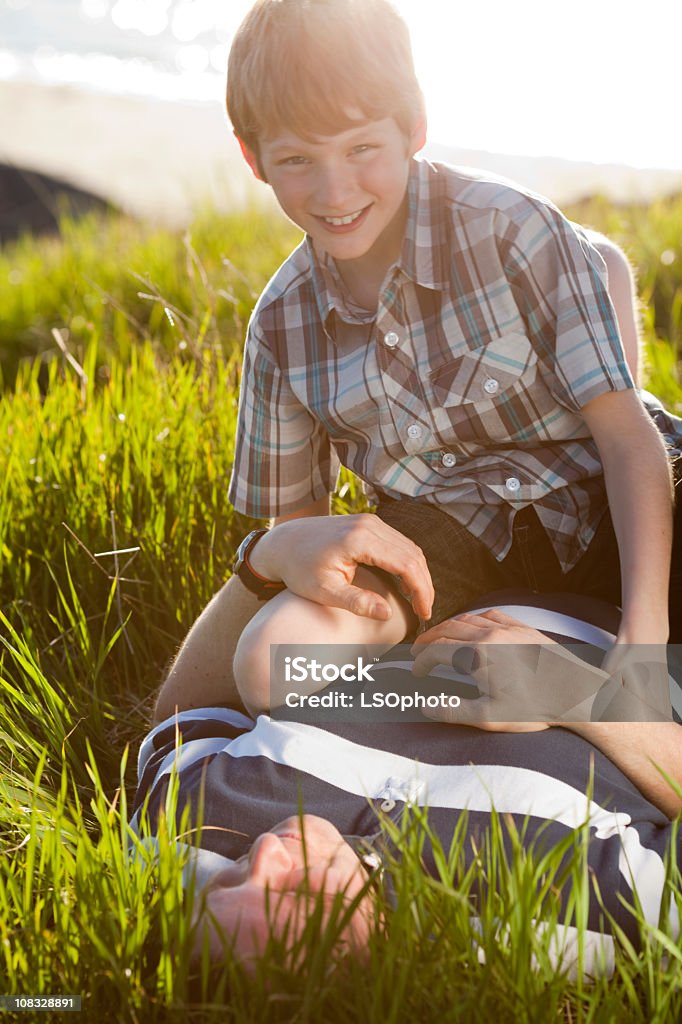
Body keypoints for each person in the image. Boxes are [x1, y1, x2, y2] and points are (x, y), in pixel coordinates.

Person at [222, 0, 676, 716]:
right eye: (298, 161)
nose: (335, 193)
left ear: (415, 128)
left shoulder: (511, 228)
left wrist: (645, 644)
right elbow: (305, 539)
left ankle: (598, 699)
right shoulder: (280, 328)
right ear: (254, 159)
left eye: (361, 149)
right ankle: (518, 696)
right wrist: (275, 552)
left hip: (607, 492)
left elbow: (627, 439)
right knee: (267, 665)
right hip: (443, 534)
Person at [136, 522, 682, 976]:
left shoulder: (195, 827)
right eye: (295, 896)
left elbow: (184, 714)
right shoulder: (573, 911)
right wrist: (584, 698)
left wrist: (262, 559)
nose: (269, 852)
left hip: (453, 564)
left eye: (232, 876)